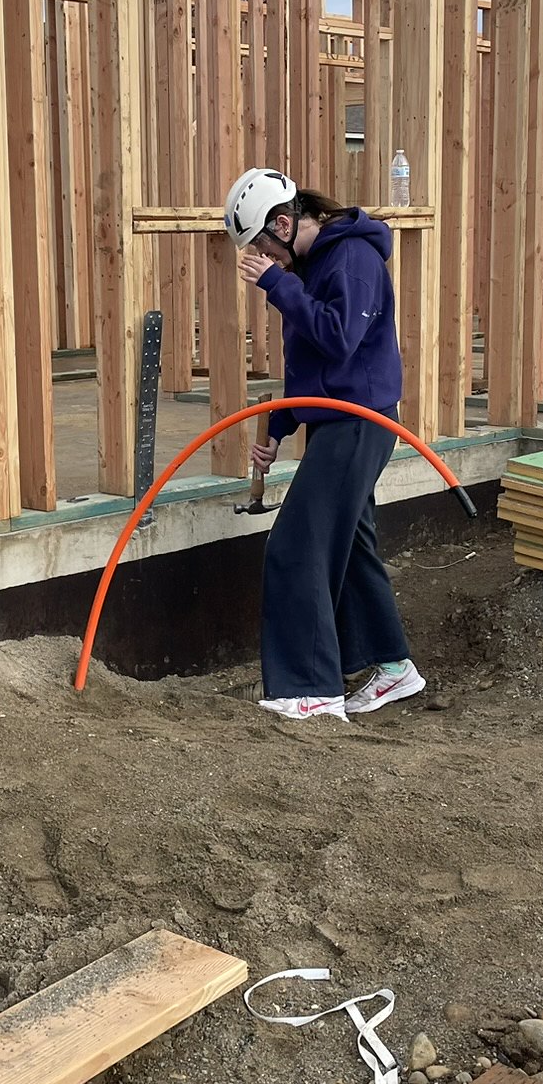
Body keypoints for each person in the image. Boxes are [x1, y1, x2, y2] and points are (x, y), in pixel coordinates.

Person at [225, 167, 425, 722]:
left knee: (298, 548)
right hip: (338, 421)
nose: (265, 260)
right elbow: (313, 364)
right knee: (353, 546)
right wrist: (280, 427)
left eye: (263, 247)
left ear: (284, 224)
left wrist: (277, 284)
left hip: (359, 423)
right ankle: (391, 667)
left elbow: (339, 339)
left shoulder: (352, 258)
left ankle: (309, 691)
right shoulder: (316, 265)